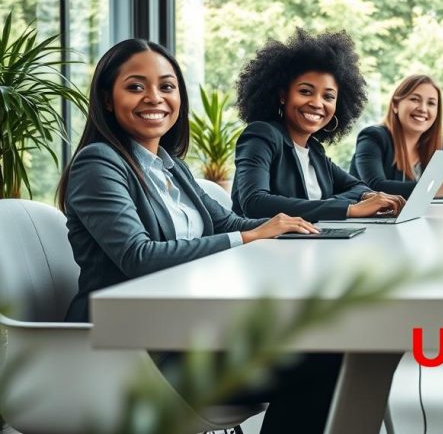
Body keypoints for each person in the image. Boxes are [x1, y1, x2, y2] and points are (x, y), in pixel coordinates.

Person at [57, 39, 338, 433]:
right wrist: (248, 238)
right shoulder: (99, 162)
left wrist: (284, 224)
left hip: (183, 331)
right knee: (324, 363)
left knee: (329, 351)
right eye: (136, 86)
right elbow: (139, 256)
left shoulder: (170, 166)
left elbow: (223, 222)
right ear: (107, 99)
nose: (154, 97)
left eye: (167, 86)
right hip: (133, 349)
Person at [232, 28, 405, 221]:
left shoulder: (314, 150)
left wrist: (362, 198)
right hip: (264, 246)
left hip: (308, 242)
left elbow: (359, 187)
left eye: (328, 96)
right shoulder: (261, 135)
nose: (317, 103)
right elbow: (255, 203)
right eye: (305, 91)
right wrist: (348, 208)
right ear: (283, 95)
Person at [350, 74, 443, 199]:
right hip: (368, 219)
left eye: (431, 103)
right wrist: (431, 189)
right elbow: (374, 186)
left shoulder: (435, 143)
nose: (423, 108)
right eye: (414, 99)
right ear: (395, 105)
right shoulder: (373, 137)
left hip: (416, 219)